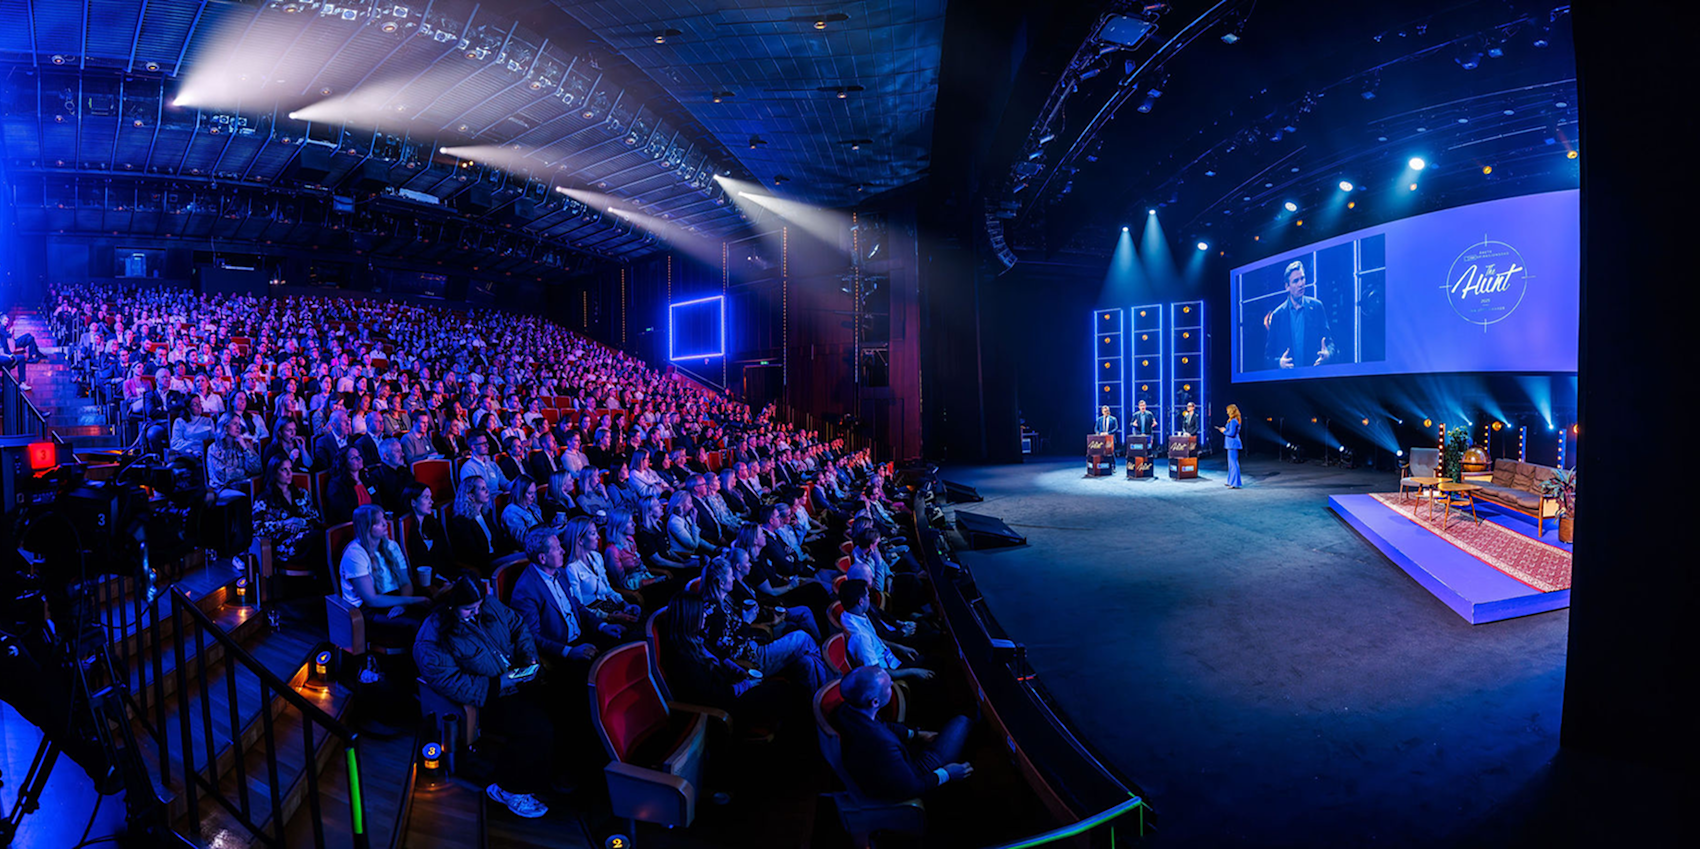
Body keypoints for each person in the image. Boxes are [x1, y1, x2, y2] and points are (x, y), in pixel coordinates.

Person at [414, 576, 553, 819]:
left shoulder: (487, 605)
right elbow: (449, 681)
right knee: (536, 729)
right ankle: (510, 789)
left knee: (561, 704)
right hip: (484, 698)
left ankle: (546, 776)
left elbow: (518, 626)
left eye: (479, 606)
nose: (477, 612)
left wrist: (528, 657)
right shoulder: (433, 636)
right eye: (469, 609)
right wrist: (498, 683)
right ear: (451, 606)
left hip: (515, 679)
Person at [833, 666, 974, 803]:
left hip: (896, 765)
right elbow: (912, 788)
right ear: (875, 702)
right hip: (916, 776)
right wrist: (947, 774)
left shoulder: (847, 709)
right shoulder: (882, 743)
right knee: (963, 720)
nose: (892, 684)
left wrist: (916, 734)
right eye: (888, 686)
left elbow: (884, 725)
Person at [337, 505, 431, 645]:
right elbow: (371, 599)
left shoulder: (392, 546)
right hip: (368, 609)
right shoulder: (355, 554)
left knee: (434, 616)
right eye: (378, 522)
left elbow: (405, 582)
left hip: (395, 597)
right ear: (367, 527)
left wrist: (403, 604)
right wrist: (412, 601)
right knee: (419, 625)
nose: (385, 524)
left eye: (384, 519)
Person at [838, 580, 931, 682]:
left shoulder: (850, 615)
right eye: (867, 596)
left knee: (929, 658)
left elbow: (876, 640)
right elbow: (877, 673)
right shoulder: (860, 637)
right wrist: (913, 671)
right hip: (890, 672)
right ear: (861, 602)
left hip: (891, 658)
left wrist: (900, 648)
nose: (869, 598)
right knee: (933, 663)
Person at [252, 455, 324, 578]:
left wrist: (300, 522)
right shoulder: (265, 499)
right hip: (282, 544)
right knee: (317, 540)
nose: (289, 473)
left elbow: (315, 518)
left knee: (321, 538)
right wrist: (284, 523)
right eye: (284, 470)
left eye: (290, 469)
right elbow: (257, 528)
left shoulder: (301, 493)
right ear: (274, 473)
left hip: (306, 537)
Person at [1263, 259, 1336, 369]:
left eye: (1302, 278)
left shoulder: (1317, 307)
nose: (1301, 284)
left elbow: (1330, 344)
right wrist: (1279, 363)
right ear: (1287, 286)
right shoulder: (1277, 315)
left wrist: (1328, 355)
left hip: (1313, 375)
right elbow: (1268, 357)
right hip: (1289, 378)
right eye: (1296, 281)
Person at [448, 475, 505, 574]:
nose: (487, 491)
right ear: (471, 496)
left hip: (496, 558)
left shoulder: (485, 513)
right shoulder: (461, 521)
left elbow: (498, 539)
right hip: (484, 565)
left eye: (486, 487)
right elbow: (472, 553)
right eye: (482, 489)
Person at [400, 483, 452, 592]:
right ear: (413, 502)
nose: (431, 502)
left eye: (431, 497)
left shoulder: (434, 524)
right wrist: (440, 581)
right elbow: (417, 566)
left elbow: (445, 554)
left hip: (445, 573)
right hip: (425, 581)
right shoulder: (407, 529)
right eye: (426, 497)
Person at [323, 444, 377, 526]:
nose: (359, 459)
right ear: (345, 462)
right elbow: (342, 513)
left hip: (372, 521)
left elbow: (376, 500)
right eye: (353, 458)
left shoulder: (366, 479)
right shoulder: (336, 485)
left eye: (359, 456)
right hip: (352, 525)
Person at [1218, 403, 1244, 489]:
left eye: (1228, 411)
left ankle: (1235, 483)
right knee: (1231, 463)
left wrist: (1224, 431)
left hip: (1233, 444)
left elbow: (1231, 433)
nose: (1227, 412)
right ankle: (1230, 481)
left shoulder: (1233, 421)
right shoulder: (1234, 420)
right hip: (1230, 444)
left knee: (1233, 463)